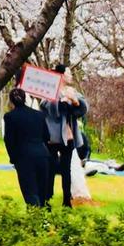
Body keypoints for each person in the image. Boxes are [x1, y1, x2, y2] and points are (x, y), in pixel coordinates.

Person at [43, 67, 88, 208]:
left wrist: (75, 101)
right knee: (50, 168)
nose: (71, 76)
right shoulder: (49, 89)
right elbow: (46, 106)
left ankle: (66, 200)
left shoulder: (71, 91)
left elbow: (83, 108)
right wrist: (61, 101)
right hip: (52, 136)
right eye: (68, 73)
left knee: (66, 169)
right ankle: (47, 197)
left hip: (68, 136)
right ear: (61, 75)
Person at [3, 87, 53, 207]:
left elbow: (9, 140)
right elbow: (47, 136)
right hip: (42, 155)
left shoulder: (10, 117)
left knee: (30, 190)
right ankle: (42, 217)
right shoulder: (39, 115)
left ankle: (34, 218)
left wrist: (13, 158)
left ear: (11, 101)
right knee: (42, 190)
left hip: (24, 157)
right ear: (25, 99)